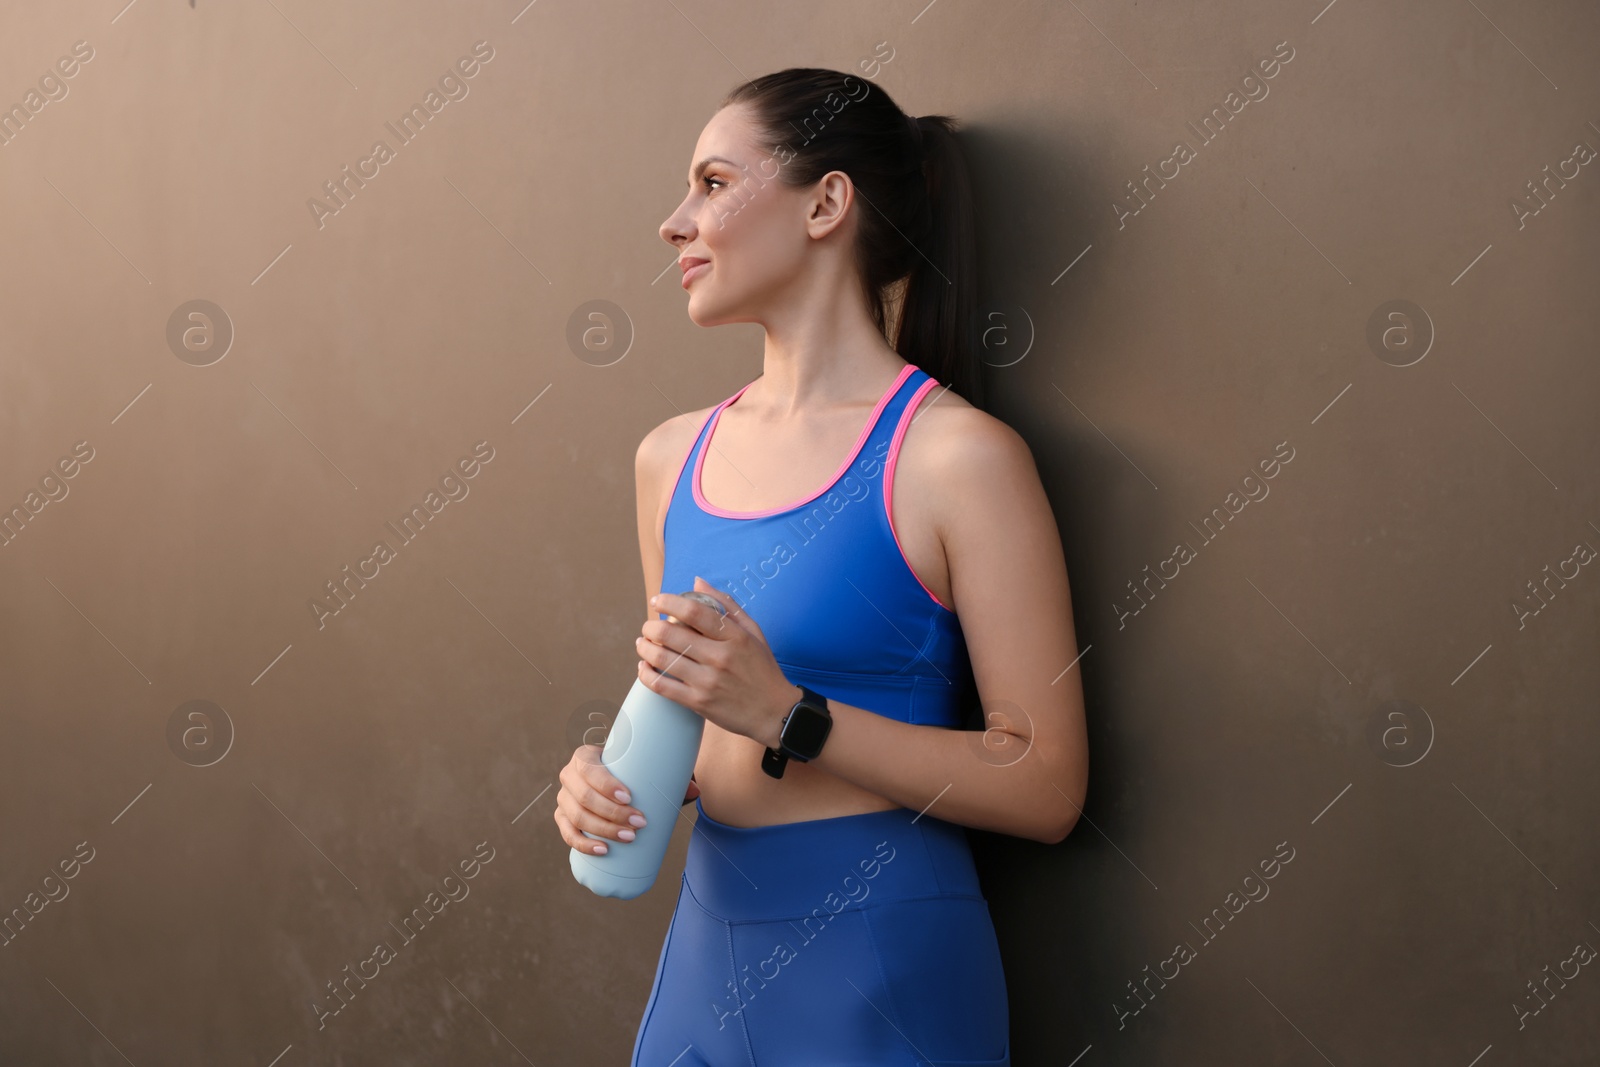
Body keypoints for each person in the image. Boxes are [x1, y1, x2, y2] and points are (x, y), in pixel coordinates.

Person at [554, 67, 1088, 1066]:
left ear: (826, 203)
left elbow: (1047, 782)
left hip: (880, 963)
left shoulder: (955, 457)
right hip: (703, 960)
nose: (676, 222)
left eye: (713, 182)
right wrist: (616, 786)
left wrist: (790, 713)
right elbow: (693, 717)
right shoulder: (668, 457)